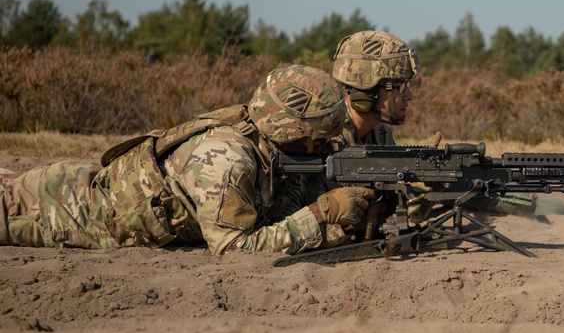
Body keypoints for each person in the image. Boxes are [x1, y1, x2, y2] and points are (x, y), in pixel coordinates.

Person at [0, 65, 375, 255]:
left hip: (89, 186)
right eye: (323, 138)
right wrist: (320, 215)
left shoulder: (272, 144)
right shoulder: (226, 160)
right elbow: (233, 250)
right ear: (297, 132)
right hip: (64, 212)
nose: (330, 146)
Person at [328, 30, 564, 219]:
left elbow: (393, 203)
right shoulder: (325, 142)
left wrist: (429, 181)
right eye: (399, 86)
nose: (409, 95)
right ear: (365, 91)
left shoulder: (379, 134)